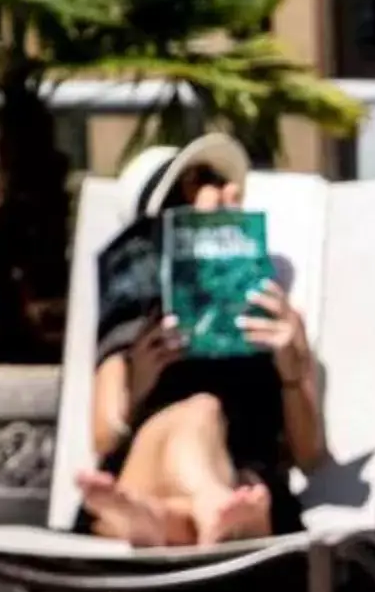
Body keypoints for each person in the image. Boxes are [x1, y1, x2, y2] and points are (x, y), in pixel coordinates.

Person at [76, 136, 321, 550]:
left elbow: (310, 454)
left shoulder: (275, 310)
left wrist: (292, 371)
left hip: (244, 473)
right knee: (196, 412)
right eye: (208, 181)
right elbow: (103, 438)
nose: (232, 193)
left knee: (204, 419)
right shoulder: (132, 317)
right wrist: (137, 383)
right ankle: (214, 507)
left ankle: (159, 522)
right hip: (156, 467)